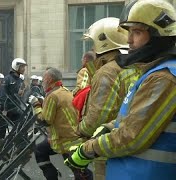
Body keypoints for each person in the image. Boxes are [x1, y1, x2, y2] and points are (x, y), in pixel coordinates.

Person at [65, 1, 176, 180]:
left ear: (158, 35)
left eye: (137, 32)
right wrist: (108, 127)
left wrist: (87, 149)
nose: (129, 40)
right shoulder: (153, 71)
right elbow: (137, 116)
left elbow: (131, 136)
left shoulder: (164, 77)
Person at [75, 17, 144, 180]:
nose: (92, 48)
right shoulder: (134, 67)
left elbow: (98, 117)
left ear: (103, 43)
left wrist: (80, 130)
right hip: (125, 144)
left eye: (94, 43)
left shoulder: (107, 72)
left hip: (104, 149)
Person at [28, 67, 91, 180]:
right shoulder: (64, 91)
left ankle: (52, 176)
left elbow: (45, 120)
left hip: (64, 140)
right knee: (41, 149)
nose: (42, 81)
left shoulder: (53, 96)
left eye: (44, 78)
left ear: (50, 79)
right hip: (72, 136)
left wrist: (36, 105)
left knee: (80, 173)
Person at [0, 58, 27, 139]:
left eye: (24, 67)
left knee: (22, 125)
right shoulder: (7, 79)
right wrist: (4, 108)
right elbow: (2, 95)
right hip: (7, 109)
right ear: (16, 67)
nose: (24, 69)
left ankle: (21, 145)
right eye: (22, 67)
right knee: (2, 128)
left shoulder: (20, 80)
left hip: (16, 108)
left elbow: (22, 95)